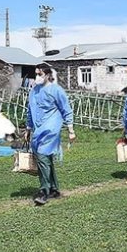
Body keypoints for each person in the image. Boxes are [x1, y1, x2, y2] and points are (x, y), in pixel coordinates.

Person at [26, 63, 75, 206]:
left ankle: (43, 191)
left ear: (48, 75)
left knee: (42, 156)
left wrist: (71, 130)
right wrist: (28, 128)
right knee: (45, 159)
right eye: (35, 74)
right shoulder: (34, 91)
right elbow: (30, 110)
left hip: (51, 129)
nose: (37, 77)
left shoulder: (56, 90)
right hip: (38, 129)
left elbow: (66, 109)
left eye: (40, 74)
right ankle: (54, 189)